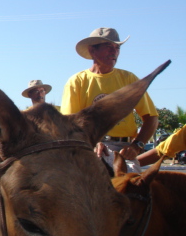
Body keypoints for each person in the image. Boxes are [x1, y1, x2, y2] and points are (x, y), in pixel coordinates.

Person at [61, 27, 158, 172]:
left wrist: (137, 145)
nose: (114, 52)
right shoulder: (77, 81)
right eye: (108, 47)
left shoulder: (129, 79)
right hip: (88, 149)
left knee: (135, 191)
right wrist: (91, 144)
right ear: (92, 51)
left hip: (124, 151)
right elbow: (69, 124)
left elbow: (151, 118)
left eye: (117, 47)